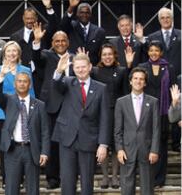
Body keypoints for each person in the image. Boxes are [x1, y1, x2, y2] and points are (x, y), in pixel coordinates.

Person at [52, 53, 110, 195]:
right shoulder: (67, 82)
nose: (81, 70)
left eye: (83, 67)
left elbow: (105, 118)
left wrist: (103, 144)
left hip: (89, 139)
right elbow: (56, 85)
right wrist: (59, 71)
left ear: (90, 67)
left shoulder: (101, 88)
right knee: (67, 181)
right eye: (77, 67)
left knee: (87, 182)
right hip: (67, 139)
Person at [0, 41, 35, 188]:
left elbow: (31, 91)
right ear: (4, 53)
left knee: (23, 147)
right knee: (6, 147)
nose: (11, 54)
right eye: (8, 51)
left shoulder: (25, 69)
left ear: (18, 54)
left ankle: (21, 179)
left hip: (22, 113)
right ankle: (7, 180)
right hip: (2, 113)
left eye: (14, 51)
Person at [0, 72, 50, 195]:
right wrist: (1, 75)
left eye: (25, 81)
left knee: (33, 188)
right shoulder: (8, 100)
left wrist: (44, 152)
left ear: (29, 85)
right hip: (13, 150)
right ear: (15, 84)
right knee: (11, 188)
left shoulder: (40, 105)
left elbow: (45, 131)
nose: (22, 84)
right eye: (19, 81)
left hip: (32, 150)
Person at [31, 29, 73, 189]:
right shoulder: (46, 55)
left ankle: (69, 176)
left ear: (68, 42)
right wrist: (36, 41)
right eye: (57, 41)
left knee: (69, 143)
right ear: (52, 43)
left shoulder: (75, 57)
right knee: (53, 143)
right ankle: (52, 178)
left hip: (71, 105)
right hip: (52, 106)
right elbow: (36, 58)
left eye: (63, 41)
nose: (60, 43)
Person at [114, 67, 160, 195]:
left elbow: (156, 129)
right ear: (130, 81)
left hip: (147, 149)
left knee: (147, 187)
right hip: (127, 150)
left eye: (141, 79)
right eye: (135, 78)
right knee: (127, 187)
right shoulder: (121, 102)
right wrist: (119, 149)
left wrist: (154, 150)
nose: (138, 81)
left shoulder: (153, 102)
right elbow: (118, 130)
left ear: (145, 83)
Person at [138, 40, 176, 187]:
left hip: (163, 112)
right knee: (146, 143)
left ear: (161, 52)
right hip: (145, 111)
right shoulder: (142, 67)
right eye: (151, 50)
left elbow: (174, 89)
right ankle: (148, 178)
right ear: (147, 52)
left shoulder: (169, 68)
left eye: (156, 50)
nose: (153, 53)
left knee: (161, 145)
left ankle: (159, 179)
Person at [91, 43, 129, 189]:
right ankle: (105, 177)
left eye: (110, 54)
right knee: (103, 144)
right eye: (104, 54)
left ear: (114, 55)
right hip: (100, 113)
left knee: (115, 144)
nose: (107, 57)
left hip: (117, 112)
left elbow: (126, 93)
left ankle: (115, 177)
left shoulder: (122, 71)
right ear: (101, 56)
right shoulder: (95, 71)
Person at [9, 0, 59, 93]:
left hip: (40, 75)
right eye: (27, 18)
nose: (30, 21)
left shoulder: (43, 31)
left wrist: (49, 7)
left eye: (32, 18)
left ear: (36, 18)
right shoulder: (15, 36)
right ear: (23, 18)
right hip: (21, 75)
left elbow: (54, 25)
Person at [60, 0, 106, 65]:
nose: (84, 15)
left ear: (90, 15)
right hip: (73, 66)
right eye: (81, 12)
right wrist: (71, 7)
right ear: (77, 14)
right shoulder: (71, 26)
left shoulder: (99, 31)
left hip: (92, 68)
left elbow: (102, 53)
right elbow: (63, 25)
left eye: (87, 13)